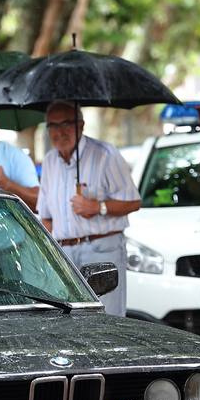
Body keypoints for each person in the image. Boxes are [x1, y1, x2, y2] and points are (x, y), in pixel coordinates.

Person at [36, 101, 140, 316]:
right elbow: (45, 216)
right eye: (53, 126)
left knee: (107, 319)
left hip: (101, 249)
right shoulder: (49, 161)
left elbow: (133, 201)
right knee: (70, 321)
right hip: (65, 254)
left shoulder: (105, 154)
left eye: (66, 124)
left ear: (81, 125)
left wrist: (99, 207)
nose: (59, 132)